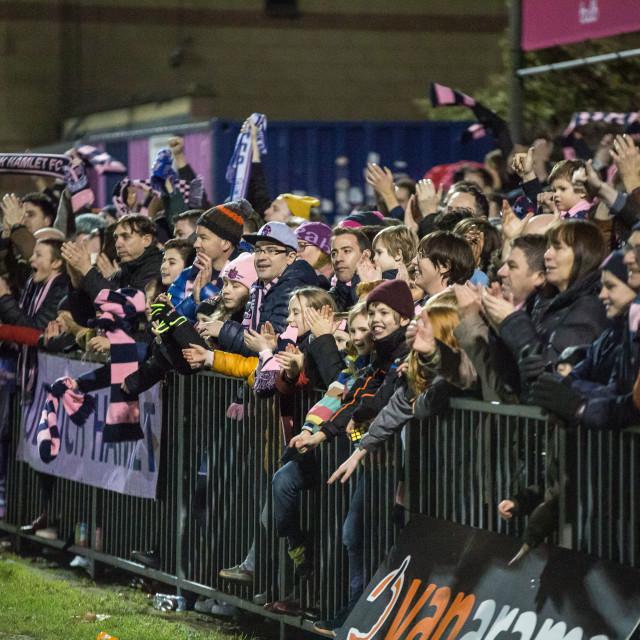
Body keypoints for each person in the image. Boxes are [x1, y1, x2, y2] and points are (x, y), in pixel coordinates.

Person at [491, 219, 608, 400]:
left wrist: (513, 321)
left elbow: (550, 373)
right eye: (548, 247)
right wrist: (496, 325)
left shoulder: (590, 309)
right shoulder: (543, 302)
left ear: (582, 254)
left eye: (557, 247)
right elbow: (515, 373)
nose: (547, 255)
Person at [213, 222, 318, 356]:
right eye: (258, 250)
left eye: (271, 250)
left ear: (291, 257)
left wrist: (224, 331)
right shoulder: (258, 286)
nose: (262, 257)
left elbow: (269, 348)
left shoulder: (294, 288)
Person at [168, 200, 251, 321]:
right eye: (197, 237)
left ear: (225, 244)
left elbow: (232, 325)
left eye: (203, 238)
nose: (196, 244)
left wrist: (204, 293)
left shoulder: (245, 278)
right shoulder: (187, 275)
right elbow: (167, 325)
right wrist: (193, 300)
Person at [61, 214, 163, 302]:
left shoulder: (158, 268)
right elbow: (86, 313)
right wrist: (76, 280)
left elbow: (127, 304)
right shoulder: (124, 271)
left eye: (125, 237)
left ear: (146, 240)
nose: (117, 244)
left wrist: (86, 269)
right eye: (116, 238)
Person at [328, 227, 372, 311]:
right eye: (334, 254)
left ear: (366, 255)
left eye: (346, 251)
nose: (338, 259)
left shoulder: (384, 294)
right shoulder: (328, 301)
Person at [295, 221, 333, 288]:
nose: (295, 254)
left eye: (301, 246)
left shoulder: (342, 281)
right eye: (294, 248)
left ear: (322, 249)